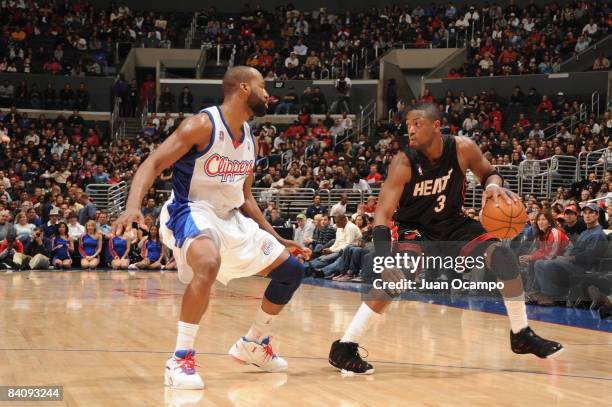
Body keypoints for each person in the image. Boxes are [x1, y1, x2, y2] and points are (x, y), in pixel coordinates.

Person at [112, 66, 309, 390]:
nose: (268, 93)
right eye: (263, 87)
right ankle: (179, 359)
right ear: (244, 88)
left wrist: (274, 236)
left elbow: (245, 197)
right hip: (190, 210)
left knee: (292, 271)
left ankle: (253, 343)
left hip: (230, 217)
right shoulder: (202, 125)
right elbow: (153, 164)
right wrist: (133, 207)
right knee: (207, 261)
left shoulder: (250, 139)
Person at [328, 103, 563, 375]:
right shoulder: (404, 162)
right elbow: (383, 211)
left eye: (417, 124)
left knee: (504, 257)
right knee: (396, 278)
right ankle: (346, 346)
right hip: (413, 227)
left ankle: (521, 333)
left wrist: (493, 186)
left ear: (436, 126)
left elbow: (488, 172)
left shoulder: (462, 148)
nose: (411, 130)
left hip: (453, 223)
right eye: (408, 126)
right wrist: (382, 258)